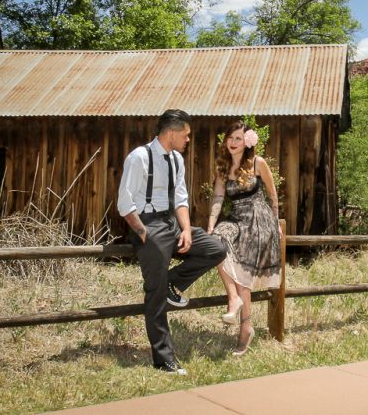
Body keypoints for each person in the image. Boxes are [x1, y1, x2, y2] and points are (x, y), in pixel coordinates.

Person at [117, 109, 227, 375]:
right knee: (154, 293)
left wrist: (187, 230)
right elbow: (125, 202)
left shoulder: (177, 159)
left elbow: (180, 199)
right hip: (147, 224)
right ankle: (163, 358)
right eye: (186, 135)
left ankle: (171, 283)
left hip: (173, 222)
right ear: (172, 133)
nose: (188, 139)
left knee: (215, 249)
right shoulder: (139, 158)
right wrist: (143, 233)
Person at [207, 120, 281, 356]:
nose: (233, 142)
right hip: (237, 217)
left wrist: (277, 223)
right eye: (230, 138)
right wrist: (210, 225)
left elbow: (272, 194)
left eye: (238, 138)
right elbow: (218, 198)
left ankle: (245, 327)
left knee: (242, 264)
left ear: (247, 142)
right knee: (217, 240)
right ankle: (234, 300)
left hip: (259, 219)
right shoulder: (222, 166)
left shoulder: (258, 163)